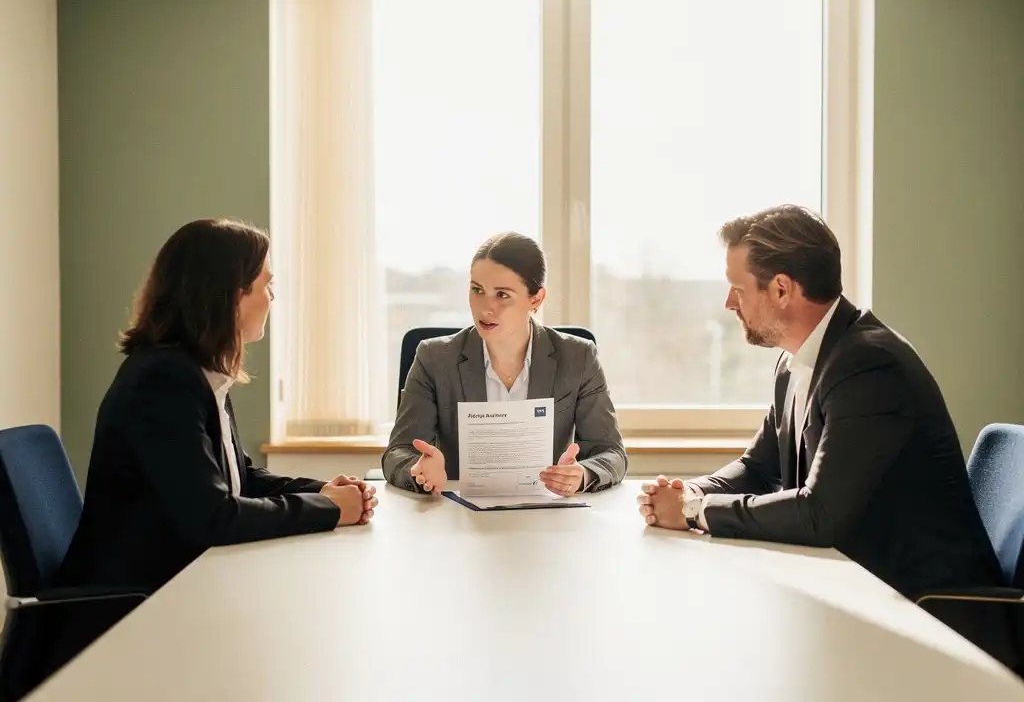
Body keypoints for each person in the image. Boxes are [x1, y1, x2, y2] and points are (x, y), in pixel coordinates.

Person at [636, 205, 1018, 668]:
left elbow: (820, 513)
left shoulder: (869, 366)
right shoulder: (797, 359)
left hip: (926, 615)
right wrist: (690, 491)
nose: (728, 303)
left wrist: (695, 514)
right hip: (858, 591)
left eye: (737, 289)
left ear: (781, 289)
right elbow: (760, 466)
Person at [43, 219, 377, 679]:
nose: (272, 300)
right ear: (229, 295)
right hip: (138, 612)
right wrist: (326, 509)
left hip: (176, 588)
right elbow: (213, 516)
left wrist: (323, 489)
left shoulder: (195, 372)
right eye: (267, 285)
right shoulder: (164, 382)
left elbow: (238, 475)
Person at [383, 232, 626, 496]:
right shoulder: (434, 358)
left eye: (502, 295)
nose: (486, 308)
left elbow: (611, 453)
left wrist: (582, 475)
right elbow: (398, 452)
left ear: (536, 299)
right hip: (460, 515)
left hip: (546, 515)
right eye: (477, 290)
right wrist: (418, 471)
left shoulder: (578, 357)